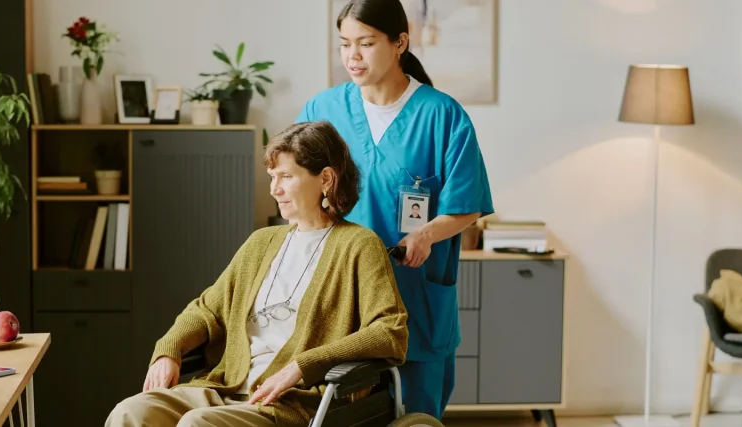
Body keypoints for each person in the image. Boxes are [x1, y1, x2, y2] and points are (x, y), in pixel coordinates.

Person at [104, 121, 409, 427]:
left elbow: (389, 330)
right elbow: (206, 309)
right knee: (129, 413)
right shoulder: (261, 243)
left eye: (286, 177)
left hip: (293, 401)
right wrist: (169, 350)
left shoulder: (359, 245)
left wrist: (303, 366)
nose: (275, 189)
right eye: (272, 177)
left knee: (197, 425)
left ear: (326, 179)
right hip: (226, 387)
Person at [295, 0, 494, 419]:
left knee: (416, 418)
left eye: (366, 43)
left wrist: (426, 234)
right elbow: (295, 189)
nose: (353, 56)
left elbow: (466, 205)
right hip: (343, 297)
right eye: (344, 44)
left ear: (400, 42)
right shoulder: (322, 111)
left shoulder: (443, 116)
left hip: (413, 295)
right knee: (338, 412)